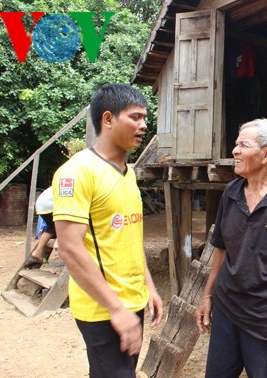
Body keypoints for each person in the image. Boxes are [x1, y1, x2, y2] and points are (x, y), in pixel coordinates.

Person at [52, 83, 163, 377]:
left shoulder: (127, 174)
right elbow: (70, 249)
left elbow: (130, 237)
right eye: (136, 117)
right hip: (103, 308)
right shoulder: (77, 172)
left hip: (130, 303)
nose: (144, 125)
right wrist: (116, 310)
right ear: (108, 119)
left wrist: (148, 286)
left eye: (144, 118)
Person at [195, 118, 267, 378]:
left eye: (243, 145)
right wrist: (208, 295)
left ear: (266, 153)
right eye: (236, 144)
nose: (234, 151)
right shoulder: (231, 192)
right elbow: (221, 249)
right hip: (227, 309)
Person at [25, 186, 56, 268]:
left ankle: (38, 251)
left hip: (41, 204)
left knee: (51, 228)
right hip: (50, 204)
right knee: (60, 226)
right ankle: (57, 246)